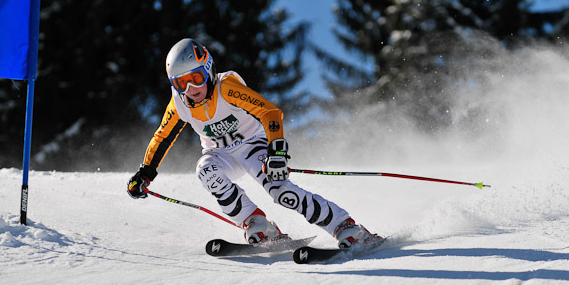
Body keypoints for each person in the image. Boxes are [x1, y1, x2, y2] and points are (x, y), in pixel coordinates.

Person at [127, 38, 381, 247]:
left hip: (252, 146)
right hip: (220, 155)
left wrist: (277, 153)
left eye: (196, 77)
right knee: (206, 171)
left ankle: (346, 227)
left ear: (208, 70)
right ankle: (257, 224)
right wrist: (145, 173)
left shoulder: (226, 87)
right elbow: (163, 136)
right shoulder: (180, 104)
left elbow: (270, 113)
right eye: (181, 82)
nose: (191, 88)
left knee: (282, 193)